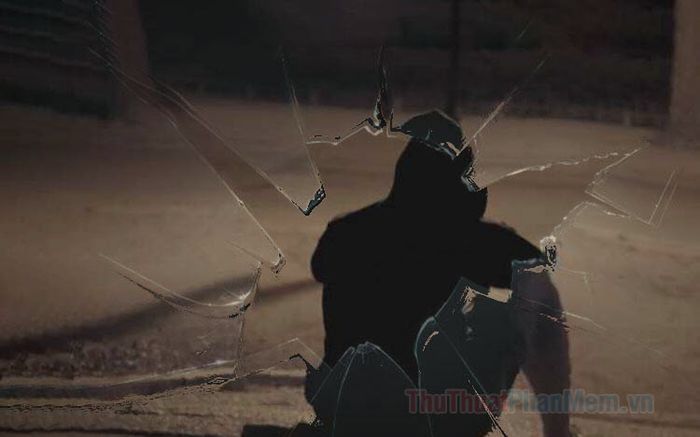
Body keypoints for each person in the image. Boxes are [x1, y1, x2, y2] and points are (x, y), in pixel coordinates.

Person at [308, 111, 571, 436]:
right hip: (442, 419)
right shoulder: (477, 243)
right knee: (536, 294)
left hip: (344, 410)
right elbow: (538, 271)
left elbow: (320, 267)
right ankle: (557, 431)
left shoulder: (346, 231)